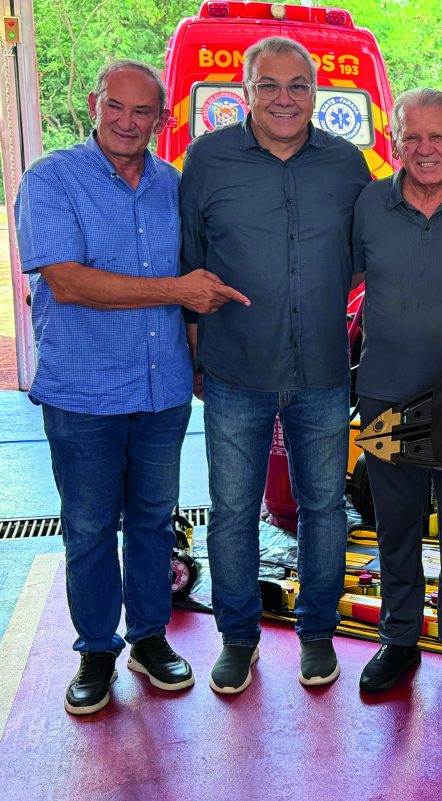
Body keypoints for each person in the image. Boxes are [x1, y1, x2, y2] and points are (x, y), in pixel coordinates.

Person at [14, 59, 247, 715]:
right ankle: (96, 650)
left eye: (142, 110)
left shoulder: (173, 185)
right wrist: (178, 291)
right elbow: (68, 282)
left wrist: (198, 360)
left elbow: (200, 279)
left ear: (162, 119)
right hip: (83, 393)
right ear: (95, 104)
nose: (126, 121)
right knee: (89, 526)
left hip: (161, 390)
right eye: (115, 106)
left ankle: (148, 637)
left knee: (152, 520)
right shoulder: (51, 179)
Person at [179, 36, 372, 694]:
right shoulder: (207, 159)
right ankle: (238, 639)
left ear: (315, 93)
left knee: (324, 508)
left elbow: (363, 256)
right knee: (233, 511)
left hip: (321, 371)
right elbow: (189, 262)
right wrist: (194, 355)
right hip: (235, 369)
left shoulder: (347, 163)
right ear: (246, 90)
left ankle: (318, 634)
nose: (284, 98)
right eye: (269, 84)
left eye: (297, 85)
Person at [352, 88, 442, 695]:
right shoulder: (369, 204)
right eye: (411, 137)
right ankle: (399, 638)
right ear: (395, 143)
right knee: (396, 526)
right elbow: (341, 277)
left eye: (437, 136)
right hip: (387, 390)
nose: (425, 148)